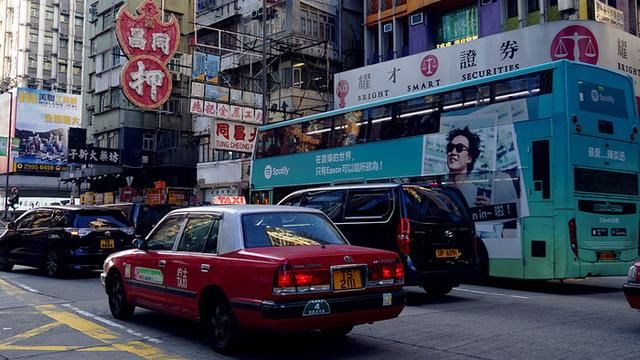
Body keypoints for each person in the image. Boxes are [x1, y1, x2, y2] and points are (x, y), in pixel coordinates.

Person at [446, 126, 518, 208]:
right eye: (450, 148)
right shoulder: (439, 192)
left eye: (459, 148)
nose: (453, 152)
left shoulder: (477, 195)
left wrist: (490, 211)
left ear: (469, 158)